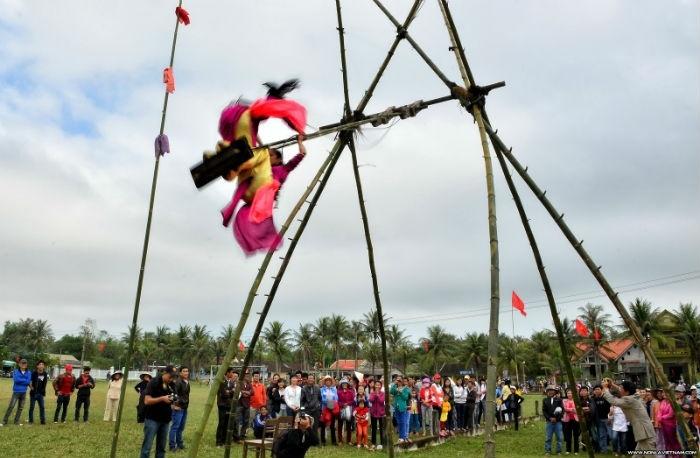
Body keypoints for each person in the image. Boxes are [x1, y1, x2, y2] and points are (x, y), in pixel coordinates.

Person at [215, 80, 308, 256]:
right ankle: (229, 163)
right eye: (271, 155)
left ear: (278, 159)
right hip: (255, 189)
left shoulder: (283, 169)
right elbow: (258, 147)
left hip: (263, 194)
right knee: (254, 155)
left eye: (273, 155)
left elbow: (301, 156)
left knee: (258, 223)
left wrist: (300, 142)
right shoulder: (265, 165)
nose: (270, 157)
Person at [602, 379, 656, 451]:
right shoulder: (635, 395)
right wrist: (612, 385)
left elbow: (614, 401)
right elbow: (622, 391)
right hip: (644, 432)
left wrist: (605, 388)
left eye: (621, 388)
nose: (619, 389)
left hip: (644, 433)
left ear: (627, 391)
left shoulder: (629, 400)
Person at [140, 365, 177, 458]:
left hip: (165, 419)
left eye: (173, 377)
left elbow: (175, 397)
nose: (171, 379)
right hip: (152, 419)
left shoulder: (172, 384)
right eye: (170, 376)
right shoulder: (154, 382)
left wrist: (174, 399)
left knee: (161, 448)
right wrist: (162, 399)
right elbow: (147, 401)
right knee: (147, 447)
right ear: (164, 373)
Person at [1, 358, 31, 426]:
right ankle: (4, 421)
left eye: (25, 363)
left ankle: (16, 421)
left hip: (24, 392)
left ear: (26, 365)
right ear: (19, 364)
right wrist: (25, 381)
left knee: (20, 408)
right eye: (22, 363)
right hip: (16, 392)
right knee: (11, 406)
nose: (23, 364)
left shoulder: (29, 372)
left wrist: (23, 380)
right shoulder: (15, 371)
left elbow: (28, 381)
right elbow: (16, 380)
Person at [169, 366, 190, 452]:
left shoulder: (186, 382)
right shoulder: (177, 382)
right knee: (175, 427)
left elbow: (185, 395)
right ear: (180, 373)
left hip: (184, 408)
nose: (186, 373)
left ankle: (180, 444)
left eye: (187, 371)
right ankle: (172, 446)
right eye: (184, 371)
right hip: (178, 408)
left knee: (181, 428)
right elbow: (173, 394)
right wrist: (174, 405)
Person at [216, 368, 238, 446]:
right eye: (231, 372)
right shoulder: (221, 382)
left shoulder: (231, 382)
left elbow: (233, 393)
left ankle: (224, 441)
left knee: (226, 423)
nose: (232, 374)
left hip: (229, 405)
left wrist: (230, 391)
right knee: (221, 423)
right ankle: (218, 442)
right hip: (222, 405)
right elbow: (223, 394)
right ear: (227, 373)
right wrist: (230, 391)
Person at [656, 388, 681, 452]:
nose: (663, 394)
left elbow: (670, 414)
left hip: (670, 425)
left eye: (665, 392)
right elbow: (659, 411)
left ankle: (676, 455)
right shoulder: (663, 401)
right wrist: (659, 417)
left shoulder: (672, 402)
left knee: (672, 440)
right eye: (663, 393)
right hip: (663, 424)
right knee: (666, 440)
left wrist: (661, 418)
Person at [543, 385, 564, 456]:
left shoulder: (559, 400)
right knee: (548, 437)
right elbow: (544, 411)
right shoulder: (545, 400)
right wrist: (550, 418)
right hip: (549, 422)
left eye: (552, 390)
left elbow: (562, 411)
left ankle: (559, 451)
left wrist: (557, 418)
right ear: (547, 392)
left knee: (559, 437)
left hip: (558, 422)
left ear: (555, 391)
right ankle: (547, 451)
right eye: (549, 390)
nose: (550, 392)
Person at [390, 376, 411, 444]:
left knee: (403, 422)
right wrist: (394, 384)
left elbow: (405, 398)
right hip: (396, 407)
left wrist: (401, 392)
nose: (398, 381)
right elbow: (391, 391)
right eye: (397, 380)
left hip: (403, 408)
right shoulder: (395, 388)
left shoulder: (406, 389)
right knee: (399, 423)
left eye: (399, 380)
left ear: (402, 381)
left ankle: (403, 437)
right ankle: (401, 437)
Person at [300, 374, 322, 440]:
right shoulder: (304, 389)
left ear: (314, 379)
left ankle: (315, 441)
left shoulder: (317, 388)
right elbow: (302, 401)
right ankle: (308, 440)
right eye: (309, 378)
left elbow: (320, 398)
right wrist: (302, 411)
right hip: (307, 410)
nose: (311, 380)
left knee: (315, 426)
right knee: (307, 426)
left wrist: (319, 406)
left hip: (316, 410)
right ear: (307, 379)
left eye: (312, 378)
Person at [592, 384, 611, 453]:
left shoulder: (606, 397)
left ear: (601, 390)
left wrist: (610, 417)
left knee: (611, 435)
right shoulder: (593, 399)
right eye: (595, 390)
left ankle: (617, 449)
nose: (596, 391)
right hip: (599, 419)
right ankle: (604, 449)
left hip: (607, 419)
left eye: (598, 389)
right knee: (602, 435)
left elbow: (611, 407)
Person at [320, 375, 338, 446]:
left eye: (329, 380)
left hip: (332, 409)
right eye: (326, 380)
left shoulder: (334, 389)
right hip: (324, 409)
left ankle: (334, 441)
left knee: (332, 426)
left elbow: (336, 398)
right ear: (325, 382)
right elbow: (321, 398)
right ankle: (323, 441)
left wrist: (332, 404)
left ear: (331, 382)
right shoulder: (321, 389)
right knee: (323, 425)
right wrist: (328, 403)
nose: (328, 382)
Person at [28, 360, 48, 425]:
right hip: (33, 394)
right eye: (40, 364)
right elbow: (30, 381)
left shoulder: (45, 374)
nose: (41, 366)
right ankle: (31, 421)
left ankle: (42, 421)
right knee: (32, 407)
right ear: (37, 366)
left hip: (40, 394)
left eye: (42, 364)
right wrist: (31, 387)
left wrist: (43, 392)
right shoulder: (34, 373)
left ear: (44, 366)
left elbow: (45, 383)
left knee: (42, 407)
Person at [336, 378, 355, 445]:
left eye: (345, 383)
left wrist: (347, 404)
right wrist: (342, 404)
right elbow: (337, 401)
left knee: (348, 426)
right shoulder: (338, 392)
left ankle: (349, 440)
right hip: (341, 409)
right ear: (341, 384)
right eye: (343, 383)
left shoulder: (350, 391)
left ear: (347, 384)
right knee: (340, 425)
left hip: (349, 409)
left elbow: (353, 401)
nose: (344, 385)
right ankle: (340, 440)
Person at [562, 388, 580, 455]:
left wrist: (572, 410)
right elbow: (565, 408)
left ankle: (576, 450)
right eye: (568, 393)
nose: (569, 394)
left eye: (571, 393)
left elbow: (578, 409)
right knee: (568, 435)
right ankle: (568, 450)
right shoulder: (564, 400)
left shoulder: (576, 400)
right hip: (567, 420)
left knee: (576, 435)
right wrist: (572, 409)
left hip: (575, 419)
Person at [249, 370, 267, 435]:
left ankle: (259, 432)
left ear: (259, 377)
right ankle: (253, 431)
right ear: (253, 377)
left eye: (257, 376)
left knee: (260, 420)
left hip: (261, 406)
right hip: (252, 406)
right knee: (252, 419)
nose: (256, 377)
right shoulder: (250, 385)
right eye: (255, 376)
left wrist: (264, 405)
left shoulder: (262, 385)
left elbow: (264, 395)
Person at [369, 379, 385, 449]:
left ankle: (382, 442)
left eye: (379, 385)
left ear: (381, 386)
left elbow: (382, 401)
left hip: (381, 413)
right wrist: (375, 395)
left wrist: (378, 395)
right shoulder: (372, 393)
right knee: (374, 428)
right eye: (376, 385)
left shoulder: (383, 393)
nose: (377, 386)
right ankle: (373, 442)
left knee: (381, 428)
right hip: (373, 413)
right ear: (374, 386)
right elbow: (371, 400)